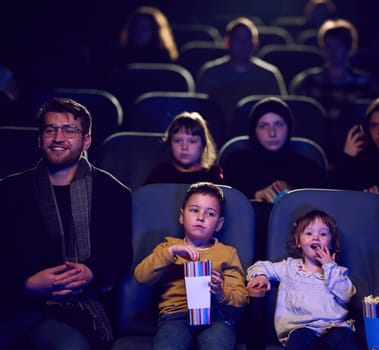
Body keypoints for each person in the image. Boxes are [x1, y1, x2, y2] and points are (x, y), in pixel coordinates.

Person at [0, 97, 132, 350]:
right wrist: (25, 284)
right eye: (50, 130)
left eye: (69, 130)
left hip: (79, 305)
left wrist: (91, 271)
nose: (58, 137)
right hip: (13, 301)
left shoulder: (113, 192)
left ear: (86, 141)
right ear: (40, 139)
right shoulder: (8, 190)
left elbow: (120, 251)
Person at [134, 182, 249, 350]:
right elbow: (141, 276)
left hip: (216, 316)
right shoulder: (169, 247)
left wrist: (220, 293)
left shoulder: (227, 253)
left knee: (217, 344)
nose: (201, 217)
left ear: (219, 224)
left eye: (210, 214)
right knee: (168, 345)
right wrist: (170, 253)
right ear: (182, 216)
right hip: (176, 316)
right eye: (194, 210)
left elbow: (241, 299)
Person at [246, 209, 358, 350]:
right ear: (298, 241)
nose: (316, 237)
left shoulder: (338, 272)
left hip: (334, 327)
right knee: (301, 339)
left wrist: (329, 266)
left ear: (331, 243)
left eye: (323, 234)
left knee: (343, 338)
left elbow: (347, 295)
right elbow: (260, 266)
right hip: (300, 329)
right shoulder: (289, 267)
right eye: (309, 233)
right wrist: (261, 276)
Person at [292, 19, 377, 160]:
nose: (332, 52)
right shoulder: (308, 81)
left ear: (349, 48)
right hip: (318, 148)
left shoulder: (365, 82)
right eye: (328, 46)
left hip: (355, 151)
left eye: (337, 46)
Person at [221, 96, 327, 202]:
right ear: (254, 130)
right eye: (264, 126)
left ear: (289, 127)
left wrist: (294, 194)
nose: (272, 133)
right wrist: (257, 196)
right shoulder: (236, 163)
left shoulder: (308, 168)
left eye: (279, 124)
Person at [196, 17, 287, 135]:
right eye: (238, 40)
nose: (243, 44)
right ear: (227, 42)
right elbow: (199, 114)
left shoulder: (269, 75)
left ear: (255, 44)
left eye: (247, 40)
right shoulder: (209, 73)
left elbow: (281, 115)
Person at [144, 111, 224, 185]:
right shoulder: (160, 173)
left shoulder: (213, 175)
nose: (184, 147)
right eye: (178, 141)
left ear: (203, 145)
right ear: (169, 144)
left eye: (192, 141)